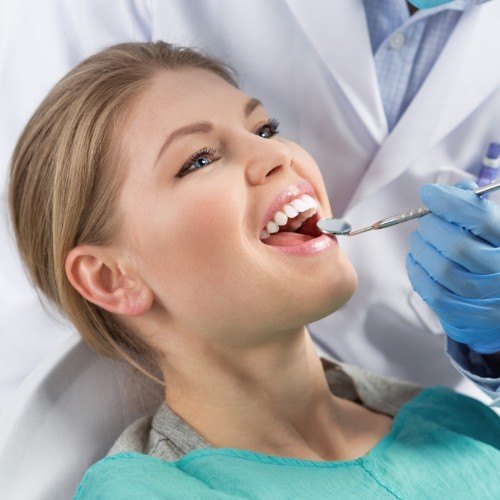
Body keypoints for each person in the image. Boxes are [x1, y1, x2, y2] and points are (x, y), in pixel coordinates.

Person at [8, 40, 500, 499]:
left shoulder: (454, 421)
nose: (276, 154)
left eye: (264, 129)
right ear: (110, 279)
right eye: (199, 160)